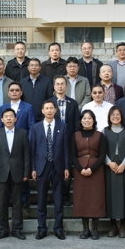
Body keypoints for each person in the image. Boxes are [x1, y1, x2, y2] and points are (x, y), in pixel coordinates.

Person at [31, 101, 69, 240]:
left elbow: (66, 149)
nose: (49, 110)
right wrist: (33, 168)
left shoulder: (63, 126)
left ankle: (58, 229)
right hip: (42, 166)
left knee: (58, 200)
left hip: (58, 166)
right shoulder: (35, 127)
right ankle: (42, 229)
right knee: (41, 200)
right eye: (46, 108)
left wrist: (66, 167)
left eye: (51, 108)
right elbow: (33, 149)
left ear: (55, 110)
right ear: (42, 111)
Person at [0, 108, 30, 240]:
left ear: (15, 119)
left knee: (17, 203)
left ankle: (17, 229)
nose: (8, 118)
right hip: (1, 172)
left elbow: (26, 154)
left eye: (11, 116)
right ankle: (3, 229)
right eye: (6, 116)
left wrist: (26, 172)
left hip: (18, 172)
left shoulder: (22, 133)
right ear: (1, 119)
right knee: (2, 203)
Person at [72, 110, 106, 240]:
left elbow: (102, 155)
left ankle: (95, 229)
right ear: (81, 121)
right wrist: (80, 169)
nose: (87, 120)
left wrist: (92, 168)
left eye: (89, 118)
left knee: (96, 199)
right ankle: (85, 229)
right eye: (84, 118)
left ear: (93, 120)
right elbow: (72, 155)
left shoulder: (100, 135)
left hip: (96, 170)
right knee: (83, 199)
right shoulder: (75, 135)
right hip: (80, 171)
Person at [46, 76, 81, 207]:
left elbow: (76, 122)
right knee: (52, 168)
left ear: (66, 86)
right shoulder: (49, 102)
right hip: (52, 139)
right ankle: (54, 196)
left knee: (67, 168)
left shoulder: (73, 103)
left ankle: (65, 197)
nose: (60, 86)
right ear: (54, 86)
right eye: (57, 84)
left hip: (69, 140)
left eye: (62, 84)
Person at [102, 106, 125, 238]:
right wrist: (109, 162)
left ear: (122, 116)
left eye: (118, 114)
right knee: (111, 195)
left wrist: (124, 164)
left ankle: (122, 226)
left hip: (124, 167)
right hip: (110, 167)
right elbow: (101, 150)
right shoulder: (105, 131)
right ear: (109, 117)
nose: (115, 117)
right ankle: (113, 226)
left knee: (124, 196)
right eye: (113, 115)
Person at [20, 58, 53, 122]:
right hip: (26, 116)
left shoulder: (47, 81)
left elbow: (50, 98)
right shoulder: (23, 82)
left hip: (42, 117)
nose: (34, 67)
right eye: (31, 65)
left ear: (40, 67)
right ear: (28, 67)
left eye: (36, 65)